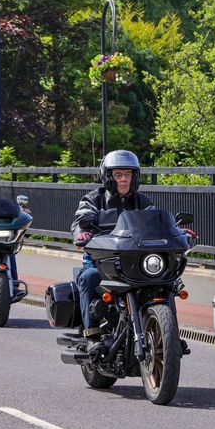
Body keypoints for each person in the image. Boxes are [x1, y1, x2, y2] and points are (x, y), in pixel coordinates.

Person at [71, 150, 154, 354]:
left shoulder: (144, 202)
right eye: (118, 175)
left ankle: (165, 330)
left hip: (133, 262)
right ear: (108, 176)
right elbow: (80, 219)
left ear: (135, 176)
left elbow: (155, 223)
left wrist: (178, 232)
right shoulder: (93, 199)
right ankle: (92, 335)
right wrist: (82, 233)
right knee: (89, 277)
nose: (124, 179)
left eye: (128, 174)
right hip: (102, 262)